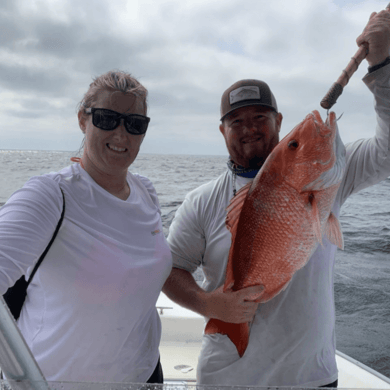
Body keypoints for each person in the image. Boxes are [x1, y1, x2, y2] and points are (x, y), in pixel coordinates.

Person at [163, 10, 390, 388]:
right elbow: (169, 268)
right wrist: (209, 304)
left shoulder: (333, 176)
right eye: (236, 121)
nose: (249, 129)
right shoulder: (201, 202)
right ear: (222, 130)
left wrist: (382, 66)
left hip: (312, 378)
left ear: (279, 122)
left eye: (259, 117)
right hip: (226, 379)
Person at [0, 71, 172, 384]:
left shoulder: (146, 192)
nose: (122, 134)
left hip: (142, 376)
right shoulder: (51, 195)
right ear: (83, 119)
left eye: (134, 124)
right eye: (107, 119)